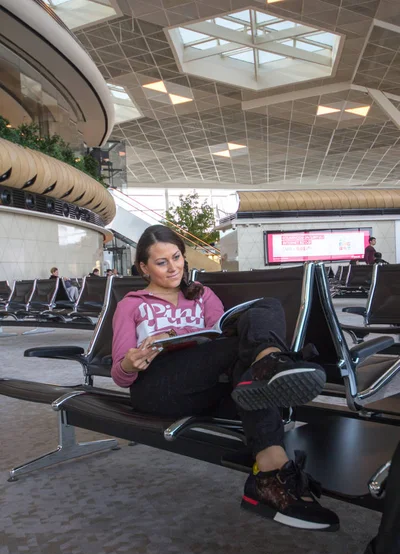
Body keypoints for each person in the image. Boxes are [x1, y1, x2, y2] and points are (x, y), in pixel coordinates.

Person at [111, 225, 339, 532]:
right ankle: (270, 369)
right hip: (156, 387)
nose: (173, 267)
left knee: (265, 309)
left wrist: (186, 335)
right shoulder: (131, 305)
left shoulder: (202, 295)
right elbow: (120, 377)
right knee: (241, 355)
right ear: (144, 267)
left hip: (206, 385)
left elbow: (218, 333)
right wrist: (131, 362)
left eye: (176, 257)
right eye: (161, 262)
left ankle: (270, 471)